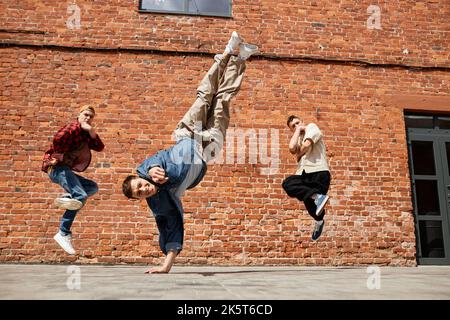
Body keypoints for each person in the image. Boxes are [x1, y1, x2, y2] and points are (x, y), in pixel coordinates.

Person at [122, 31, 258, 274]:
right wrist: (166, 265)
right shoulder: (160, 202)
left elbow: (150, 162)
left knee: (205, 95)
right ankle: (242, 58)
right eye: (140, 193)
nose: (145, 188)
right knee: (223, 100)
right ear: (140, 199)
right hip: (207, 147)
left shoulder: (149, 169)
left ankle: (227, 51)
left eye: (140, 184)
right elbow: (171, 226)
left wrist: (148, 170)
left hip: (187, 133)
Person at [42, 105, 104, 255]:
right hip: (56, 169)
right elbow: (58, 139)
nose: (88, 118)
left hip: (65, 170)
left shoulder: (85, 133)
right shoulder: (72, 128)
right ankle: (63, 232)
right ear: (79, 114)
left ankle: (68, 197)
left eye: (91, 116)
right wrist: (79, 126)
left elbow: (100, 147)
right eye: (85, 114)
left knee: (92, 187)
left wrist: (91, 131)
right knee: (81, 196)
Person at [282, 115, 331, 241]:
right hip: (304, 175)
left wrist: (299, 153)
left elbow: (306, 145)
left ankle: (317, 198)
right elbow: (292, 148)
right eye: (293, 126)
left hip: (318, 172)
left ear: (302, 121)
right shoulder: (298, 137)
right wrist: (297, 131)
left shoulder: (311, 127)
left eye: (298, 123)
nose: (297, 126)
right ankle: (319, 221)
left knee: (313, 206)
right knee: (288, 184)